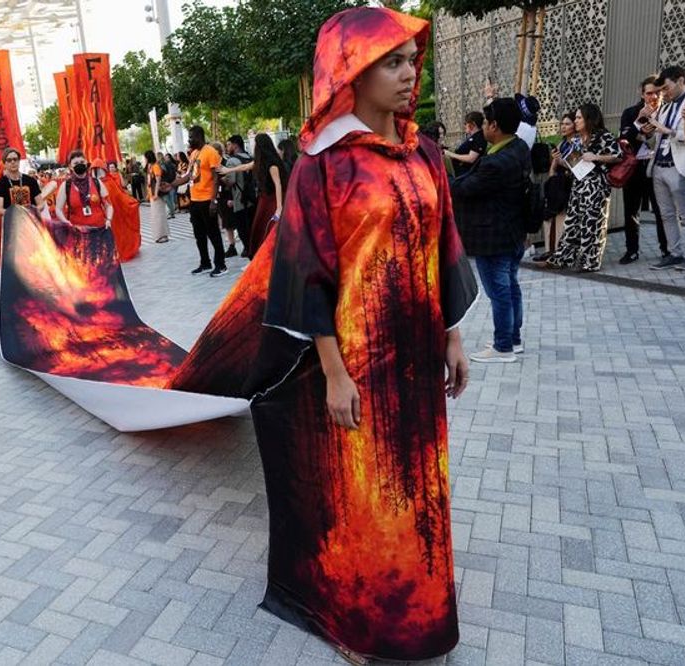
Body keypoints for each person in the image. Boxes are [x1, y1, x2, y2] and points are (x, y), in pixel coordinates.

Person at [247, 7, 476, 662]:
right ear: (353, 70)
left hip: (420, 355)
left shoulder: (427, 154)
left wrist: (453, 335)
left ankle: (425, 610)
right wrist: (335, 371)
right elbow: (305, 273)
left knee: (422, 481)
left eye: (411, 60)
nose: (410, 75)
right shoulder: (321, 168)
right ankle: (365, 621)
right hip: (362, 357)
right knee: (368, 489)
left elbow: (444, 249)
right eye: (392, 62)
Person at [451, 97, 531, 363]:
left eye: (485, 122)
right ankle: (513, 338)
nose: (483, 126)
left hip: (493, 235)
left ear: (495, 125)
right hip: (513, 231)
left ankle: (503, 346)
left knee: (500, 291)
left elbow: (463, 189)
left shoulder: (496, 163)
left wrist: (441, 175)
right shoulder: (518, 148)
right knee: (510, 286)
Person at [545, 103, 622, 272]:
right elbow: (574, 164)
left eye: (579, 118)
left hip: (596, 185)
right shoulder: (578, 139)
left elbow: (617, 156)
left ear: (589, 119)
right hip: (579, 183)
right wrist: (559, 160)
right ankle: (563, 257)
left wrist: (596, 156)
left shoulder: (603, 136)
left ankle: (590, 262)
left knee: (592, 224)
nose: (576, 121)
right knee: (572, 222)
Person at [646, 66, 685, 271]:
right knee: (666, 214)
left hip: (681, 165)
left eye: (667, 88)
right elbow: (656, 138)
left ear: (681, 81)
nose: (664, 93)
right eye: (661, 89)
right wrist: (648, 130)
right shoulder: (665, 107)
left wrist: (668, 131)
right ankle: (675, 253)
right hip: (660, 164)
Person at [619, 76, 668, 264]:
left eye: (657, 93)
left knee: (662, 210)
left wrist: (646, 136)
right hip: (635, 167)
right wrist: (639, 123)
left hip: (658, 166)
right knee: (631, 210)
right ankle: (632, 250)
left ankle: (666, 249)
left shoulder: (667, 112)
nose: (653, 97)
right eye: (649, 93)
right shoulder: (631, 112)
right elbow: (624, 138)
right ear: (642, 94)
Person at [172, 126, 226, 277]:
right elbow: (189, 176)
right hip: (194, 200)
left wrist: (214, 201)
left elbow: (216, 179)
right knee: (199, 234)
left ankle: (221, 265)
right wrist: (171, 184)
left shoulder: (211, 152)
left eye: (191, 137)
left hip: (207, 199)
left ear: (199, 137)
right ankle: (205, 263)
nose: (189, 140)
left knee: (213, 233)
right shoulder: (194, 154)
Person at [219, 133, 286, 255]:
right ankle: (262, 256)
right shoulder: (261, 162)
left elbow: (278, 185)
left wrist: (279, 208)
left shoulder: (272, 164)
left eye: (256, 144)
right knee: (258, 229)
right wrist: (228, 170)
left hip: (272, 200)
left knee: (268, 230)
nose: (254, 146)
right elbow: (244, 167)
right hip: (264, 199)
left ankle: (270, 256)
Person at [533, 113, 578, 261]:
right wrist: (552, 175)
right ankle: (549, 250)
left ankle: (559, 251)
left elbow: (576, 167)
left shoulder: (577, 144)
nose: (563, 127)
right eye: (562, 124)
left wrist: (561, 161)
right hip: (557, 183)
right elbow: (554, 165)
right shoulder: (562, 143)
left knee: (561, 217)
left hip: (569, 183)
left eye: (567, 124)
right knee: (549, 215)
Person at [56, 150, 113, 230]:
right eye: (75, 163)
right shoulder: (66, 185)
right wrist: (65, 222)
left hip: (99, 230)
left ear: (86, 163)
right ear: (70, 166)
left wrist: (108, 219)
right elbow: (58, 209)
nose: (80, 164)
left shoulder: (97, 182)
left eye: (82, 161)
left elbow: (109, 205)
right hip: (77, 232)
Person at [98, 159, 140, 261]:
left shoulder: (111, 180)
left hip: (115, 211)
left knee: (118, 232)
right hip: (103, 214)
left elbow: (119, 192)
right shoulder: (97, 182)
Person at [223, 135, 255, 258]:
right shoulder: (250, 157)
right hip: (253, 200)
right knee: (253, 230)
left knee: (243, 232)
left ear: (235, 145)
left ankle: (251, 258)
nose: (227, 147)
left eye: (229, 144)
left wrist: (223, 178)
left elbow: (231, 181)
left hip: (240, 201)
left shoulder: (232, 161)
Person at [445, 110, 486, 176]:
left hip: (465, 173)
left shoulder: (479, 138)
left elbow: (471, 158)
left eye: (466, 123)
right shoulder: (474, 136)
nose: (465, 125)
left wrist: (450, 154)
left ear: (473, 124)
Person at [144, 150, 170, 243]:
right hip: (152, 195)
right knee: (156, 216)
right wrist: (149, 194)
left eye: (145, 157)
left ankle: (163, 235)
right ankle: (160, 235)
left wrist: (155, 193)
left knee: (159, 215)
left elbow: (158, 180)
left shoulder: (155, 166)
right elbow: (149, 182)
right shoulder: (150, 166)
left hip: (157, 195)